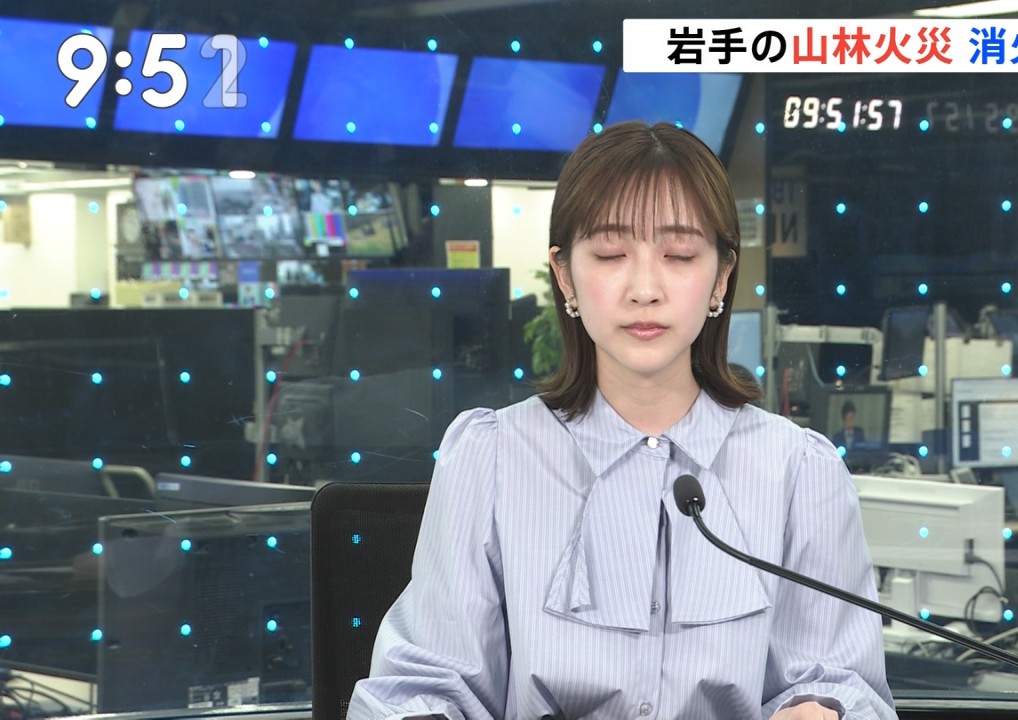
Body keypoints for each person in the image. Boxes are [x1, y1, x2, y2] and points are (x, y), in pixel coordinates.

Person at [346, 121, 896, 720]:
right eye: (610, 255)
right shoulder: (490, 458)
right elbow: (425, 682)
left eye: (679, 255)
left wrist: (825, 708)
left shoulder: (800, 470)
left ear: (721, 277)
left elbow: (846, 683)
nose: (644, 289)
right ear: (564, 275)